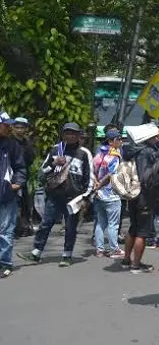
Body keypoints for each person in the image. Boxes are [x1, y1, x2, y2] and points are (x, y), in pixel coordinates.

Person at [18, 122, 93, 268]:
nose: (70, 135)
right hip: (54, 195)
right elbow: (42, 172)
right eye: (67, 133)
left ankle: (67, 255)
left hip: (74, 198)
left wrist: (85, 197)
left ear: (78, 135)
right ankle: (36, 253)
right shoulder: (55, 150)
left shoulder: (84, 153)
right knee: (45, 224)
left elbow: (89, 178)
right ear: (63, 134)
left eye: (73, 133)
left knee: (71, 227)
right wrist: (54, 163)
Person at [120, 123, 159, 274]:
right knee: (142, 231)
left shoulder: (132, 150)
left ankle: (126, 259)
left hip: (133, 194)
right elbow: (152, 173)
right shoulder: (148, 152)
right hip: (145, 195)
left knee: (133, 227)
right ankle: (136, 265)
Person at [0, 111, 27, 278]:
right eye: (6, 124)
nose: (9, 127)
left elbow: (20, 167)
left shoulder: (12, 145)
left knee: (5, 230)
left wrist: (17, 184)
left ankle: (5, 263)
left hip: (6, 195)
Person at [91, 130, 124, 258]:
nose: (121, 141)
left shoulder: (99, 154)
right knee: (113, 224)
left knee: (100, 223)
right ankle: (114, 249)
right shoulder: (115, 156)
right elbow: (111, 175)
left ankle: (99, 249)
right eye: (118, 139)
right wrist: (101, 184)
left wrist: (96, 185)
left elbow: (92, 171)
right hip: (111, 195)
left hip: (98, 195)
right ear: (111, 141)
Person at [11, 117, 35, 237]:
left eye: (22, 128)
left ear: (26, 129)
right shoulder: (9, 142)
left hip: (23, 176)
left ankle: (23, 227)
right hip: (10, 176)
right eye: (17, 127)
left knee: (24, 202)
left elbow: (31, 159)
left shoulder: (28, 142)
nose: (19, 130)